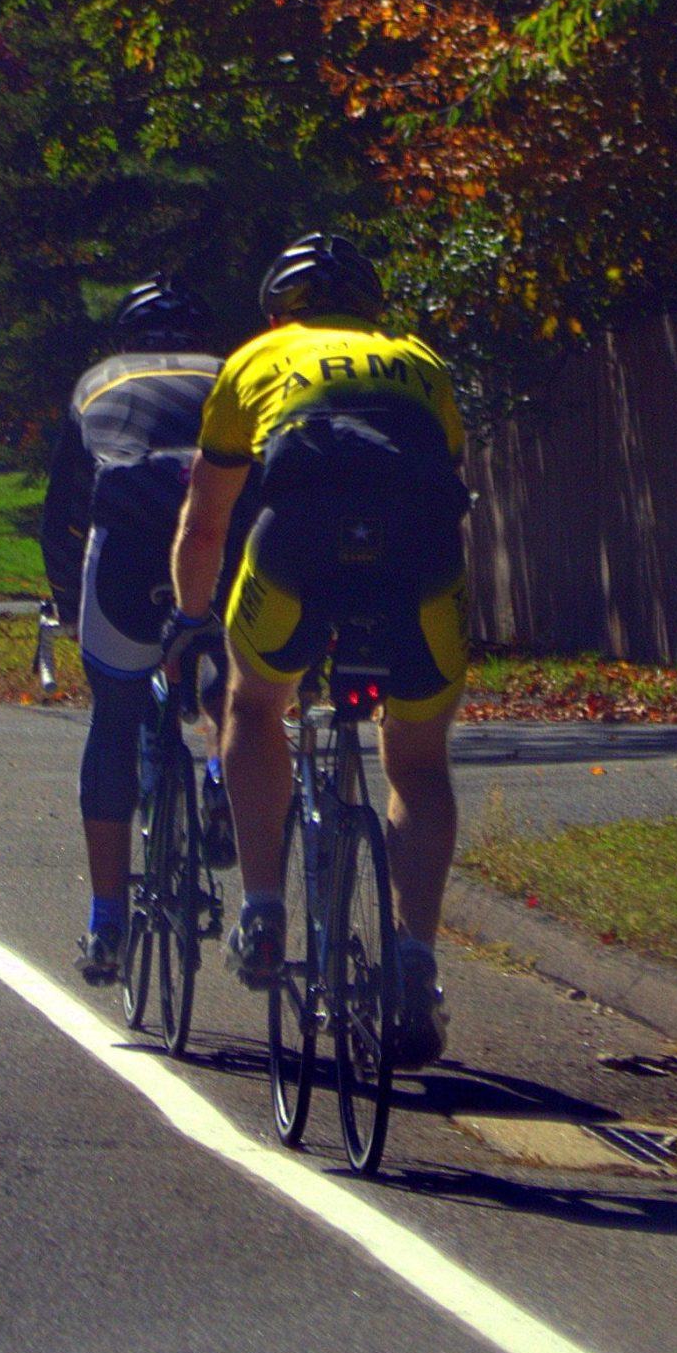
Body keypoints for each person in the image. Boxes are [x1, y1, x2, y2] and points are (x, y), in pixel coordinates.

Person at [165, 233, 471, 1067]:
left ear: (277, 312)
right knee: (417, 762)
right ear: (371, 310)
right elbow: (447, 486)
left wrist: (194, 618)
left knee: (256, 704)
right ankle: (414, 961)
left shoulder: (257, 359)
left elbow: (207, 520)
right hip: (420, 559)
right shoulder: (421, 361)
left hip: (297, 548)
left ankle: (263, 910)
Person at [39, 276, 233, 984]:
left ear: (128, 339)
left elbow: (62, 510)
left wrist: (67, 600)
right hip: (220, 533)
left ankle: (106, 924)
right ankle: (220, 777)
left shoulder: (98, 381)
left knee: (114, 720)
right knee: (233, 690)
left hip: (125, 538)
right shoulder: (231, 374)